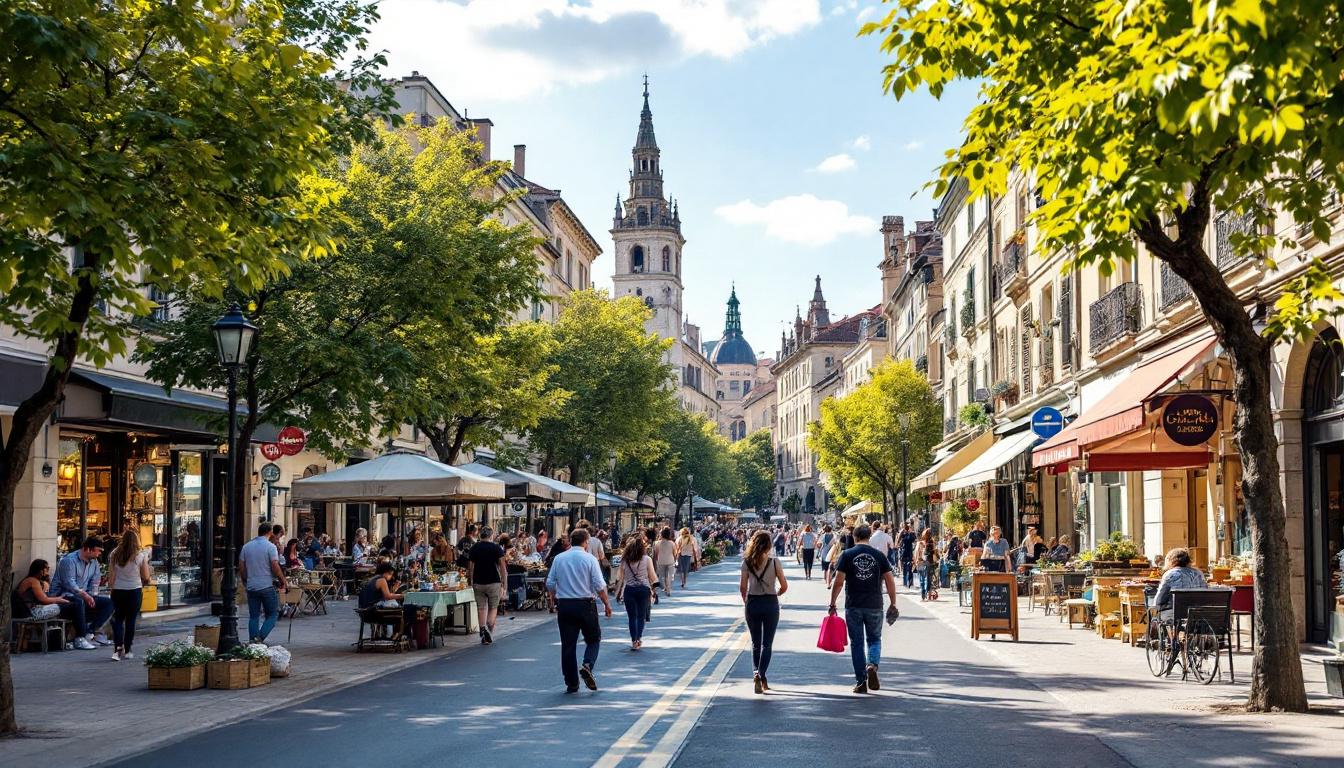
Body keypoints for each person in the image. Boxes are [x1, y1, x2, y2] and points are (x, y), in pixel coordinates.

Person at [828, 524, 898, 694]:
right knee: (874, 639)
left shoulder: (847, 554)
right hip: (875, 603)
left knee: (857, 643)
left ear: (854, 536)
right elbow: (889, 580)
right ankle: (872, 665)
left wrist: (832, 603)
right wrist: (893, 602)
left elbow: (838, 581)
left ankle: (861, 681)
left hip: (854, 604)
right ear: (869, 535)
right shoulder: (879, 555)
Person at [545, 528, 612, 693]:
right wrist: (606, 604)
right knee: (593, 639)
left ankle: (571, 682)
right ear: (586, 541)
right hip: (585, 604)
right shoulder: (589, 559)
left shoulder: (559, 558)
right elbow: (599, 584)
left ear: (571, 541)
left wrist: (554, 598)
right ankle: (588, 664)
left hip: (565, 605)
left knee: (568, 645)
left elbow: (550, 582)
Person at [740, 530, 788, 695]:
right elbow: (784, 586)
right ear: (769, 545)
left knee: (755, 643)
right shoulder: (775, 562)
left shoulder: (746, 562)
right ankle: (761, 675)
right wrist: (778, 593)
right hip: (770, 602)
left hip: (753, 601)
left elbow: (742, 587)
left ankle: (756, 674)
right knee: (767, 643)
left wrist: (746, 601)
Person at [49, 537, 114, 650]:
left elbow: (95, 581)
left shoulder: (94, 562)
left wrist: (92, 596)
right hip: (63, 597)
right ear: (88, 549)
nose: (99, 554)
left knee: (110, 602)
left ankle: (90, 632)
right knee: (78, 601)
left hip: (83, 596)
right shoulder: (68, 560)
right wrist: (85, 595)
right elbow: (69, 583)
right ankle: (80, 638)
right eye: (98, 550)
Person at [239, 522, 288, 643]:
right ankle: (259, 638)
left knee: (254, 616)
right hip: (266, 585)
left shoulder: (246, 546)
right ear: (270, 532)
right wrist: (283, 580)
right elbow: (275, 565)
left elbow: (241, 567)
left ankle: (252, 641)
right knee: (272, 614)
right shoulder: (270, 547)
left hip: (251, 586)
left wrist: (246, 580)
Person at [107, 529, 151, 660]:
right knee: (131, 620)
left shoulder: (114, 554)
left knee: (118, 620)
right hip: (134, 590)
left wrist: (111, 588)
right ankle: (128, 649)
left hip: (118, 590)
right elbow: (146, 575)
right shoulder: (140, 555)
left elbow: (111, 576)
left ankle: (117, 648)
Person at [467, 526, 508, 645]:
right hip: (493, 582)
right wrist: (504, 585)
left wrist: (470, 581)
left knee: (481, 608)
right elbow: (502, 568)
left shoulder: (474, 548)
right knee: (493, 607)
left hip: (478, 582)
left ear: (480, 535)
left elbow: (471, 568)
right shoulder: (496, 548)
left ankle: (482, 629)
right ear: (491, 535)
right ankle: (489, 626)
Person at [618, 536, 658, 650]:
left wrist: (619, 591)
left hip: (629, 590)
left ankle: (633, 641)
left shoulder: (625, 560)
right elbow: (653, 576)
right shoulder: (647, 559)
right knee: (641, 616)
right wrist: (655, 589)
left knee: (632, 617)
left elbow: (619, 577)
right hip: (643, 590)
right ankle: (639, 638)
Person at [912, 529, 938, 601]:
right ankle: (928, 594)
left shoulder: (919, 543)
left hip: (920, 562)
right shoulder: (932, 543)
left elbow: (916, 553)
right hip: (929, 562)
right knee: (928, 579)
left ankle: (923, 594)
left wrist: (915, 562)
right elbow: (935, 553)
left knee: (922, 579)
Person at [652, 527, 677, 597]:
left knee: (662, 576)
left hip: (661, 561)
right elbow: (674, 553)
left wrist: (657, 561)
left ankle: (665, 587)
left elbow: (656, 554)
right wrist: (675, 560)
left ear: (662, 535)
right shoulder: (672, 543)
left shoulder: (657, 543)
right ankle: (668, 589)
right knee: (668, 576)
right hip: (670, 561)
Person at [897, 523, 917, 588]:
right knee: (909, 568)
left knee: (906, 568)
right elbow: (914, 539)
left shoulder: (904, 534)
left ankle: (906, 582)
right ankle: (909, 583)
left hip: (905, 553)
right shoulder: (909, 534)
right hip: (908, 553)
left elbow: (899, 541)